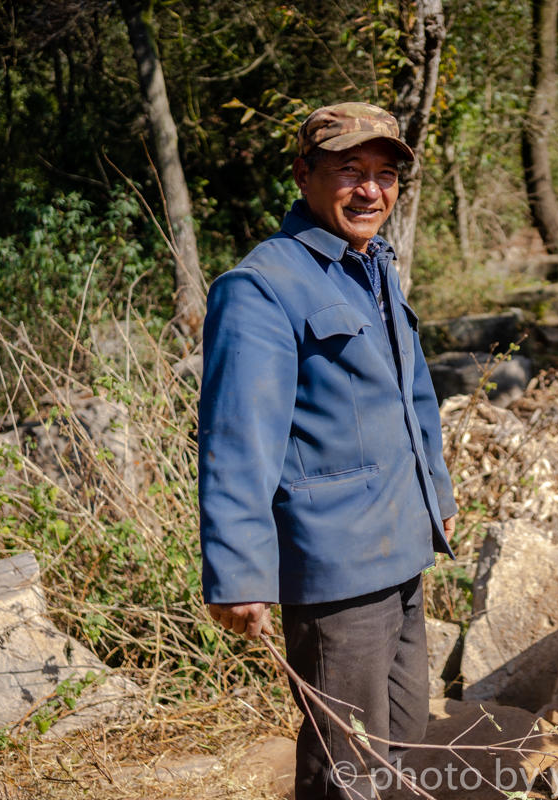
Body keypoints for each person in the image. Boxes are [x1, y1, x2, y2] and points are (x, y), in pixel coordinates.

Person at [197, 102, 457, 799]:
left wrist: (439, 493)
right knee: (348, 768)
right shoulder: (261, 287)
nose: (371, 190)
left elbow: (414, 393)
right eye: (350, 171)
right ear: (304, 175)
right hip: (336, 572)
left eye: (384, 174)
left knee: (405, 739)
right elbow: (237, 439)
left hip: (400, 548)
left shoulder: (371, 267)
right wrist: (239, 570)